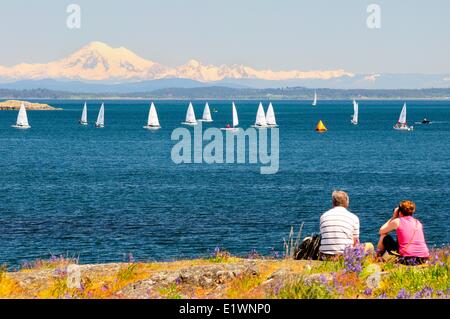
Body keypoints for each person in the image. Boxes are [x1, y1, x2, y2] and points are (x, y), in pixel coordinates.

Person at [377, 200, 429, 265]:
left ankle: (376, 258)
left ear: (400, 212)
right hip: (424, 258)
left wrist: (394, 217)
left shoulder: (397, 221)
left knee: (384, 236)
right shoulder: (418, 223)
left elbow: (381, 230)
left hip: (407, 259)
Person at [319, 191, 360, 258]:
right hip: (345, 256)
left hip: (325, 256)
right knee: (369, 246)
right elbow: (355, 241)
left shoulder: (323, 216)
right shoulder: (354, 218)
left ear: (333, 203)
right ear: (347, 202)